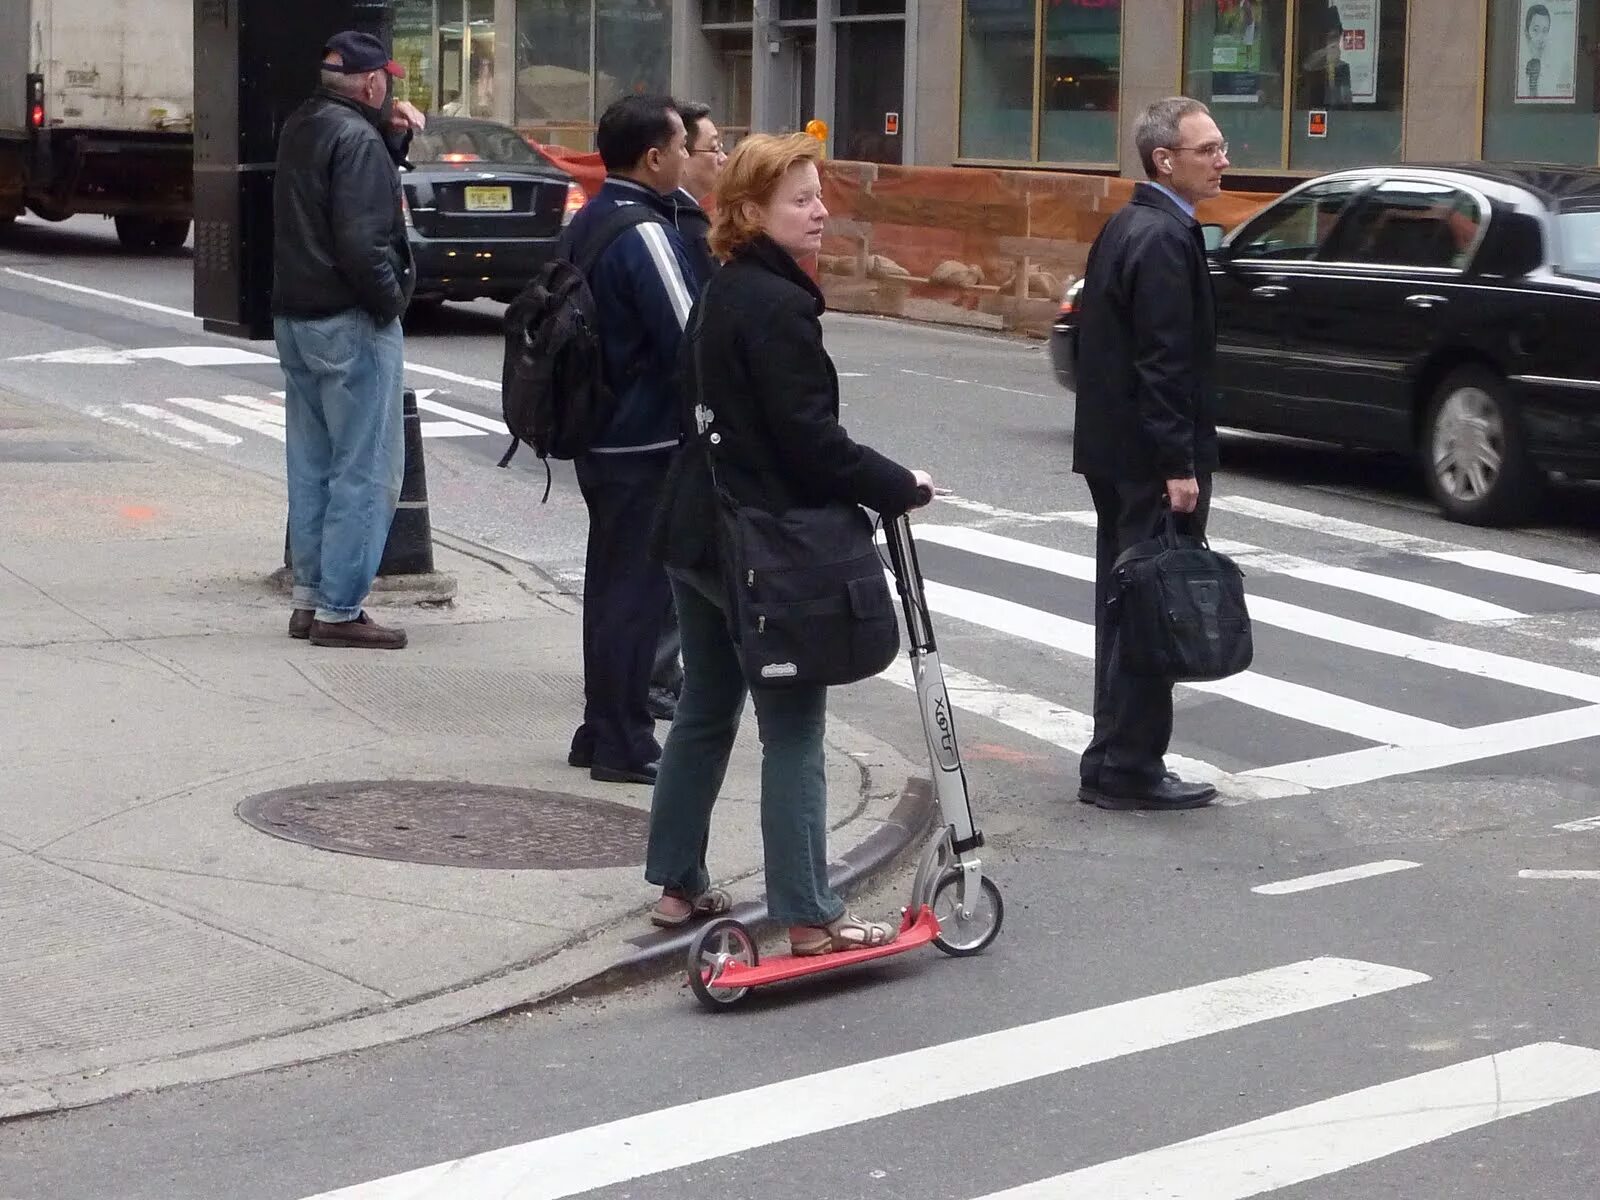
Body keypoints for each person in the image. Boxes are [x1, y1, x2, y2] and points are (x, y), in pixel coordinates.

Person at [645, 132, 935, 955]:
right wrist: (899, 483)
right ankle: (809, 914)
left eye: (818, 195)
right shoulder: (775, 307)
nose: (821, 212)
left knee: (705, 706)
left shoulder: (725, 291)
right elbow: (810, 441)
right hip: (758, 547)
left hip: (697, 529)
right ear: (750, 213)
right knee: (793, 727)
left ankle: (677, 884)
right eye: (801, 199)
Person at [1072, 96, 1229, 812]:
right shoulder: (1163, 238)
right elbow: (1163, 363)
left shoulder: (1129, 225)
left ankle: (1110, 759)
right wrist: (1178, 465)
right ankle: (1131, 766)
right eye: (1210, 150)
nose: (1224, 160)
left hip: (1116, 456)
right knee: (1153, 610)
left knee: (1125, 602)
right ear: (1165, 159)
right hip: (1147, 462)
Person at [564, 95, 699, 785]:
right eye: (681, 146)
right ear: (653, 156)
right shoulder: (647, 231)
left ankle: (598, 728)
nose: (687, 157)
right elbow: (690, 336)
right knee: (636, 596)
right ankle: (624, 739)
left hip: (595, 433)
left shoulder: (588, 219)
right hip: (643, 439)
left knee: (609, 586)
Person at [272, 31, 415, 650]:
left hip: (298, 315)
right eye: (389, 84)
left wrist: (394, 138)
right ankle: (340, 608)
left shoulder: (303, 124)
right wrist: (389, 302)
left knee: (313, 465)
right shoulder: (356, 138)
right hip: (350, 318)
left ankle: (311, 598)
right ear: (372, 84)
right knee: (366, 468)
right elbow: (362, 241)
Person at [647, 100, 728, 724]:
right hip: (669, 428)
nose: (719, 158)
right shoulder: (679, 228)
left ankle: (657, 672)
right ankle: (656, 675)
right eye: (709, 148)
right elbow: (691, 331)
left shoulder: (690, 221)